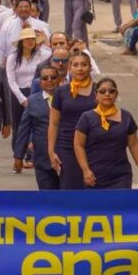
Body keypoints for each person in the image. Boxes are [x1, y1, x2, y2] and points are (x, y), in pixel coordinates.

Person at [73, 78, 138, 189]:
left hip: (121, 176)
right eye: (102, 91)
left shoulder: (126, 116)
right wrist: (86, 170)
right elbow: (78, 145)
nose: (107, 94)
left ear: (116, 94)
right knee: (98, 207)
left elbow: (134, 144)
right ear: (96, 95)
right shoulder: (87, 117)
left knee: (120, 206)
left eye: (111, 91)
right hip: (94, 176)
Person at [47, 53, 98, 189]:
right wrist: (51, 151)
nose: (80, 68)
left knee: (93, 187)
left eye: (84, 65)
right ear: (70, 68)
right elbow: (54, 123)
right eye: (75, 65)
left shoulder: (99, 90)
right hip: (67, 148)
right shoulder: (61, 92)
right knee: (70, 188)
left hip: (94, 146)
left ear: (90, 67)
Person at [13, 61, 63, 189]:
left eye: (53, 77)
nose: (49, 80)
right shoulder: (32, 101)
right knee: (47, 198)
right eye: (45, 78)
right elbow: (24, 130)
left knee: (66, 199)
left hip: (65, 157)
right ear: (40, 83)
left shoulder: (67, 98)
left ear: (59, 80)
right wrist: (18, 156)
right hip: (42, 158)